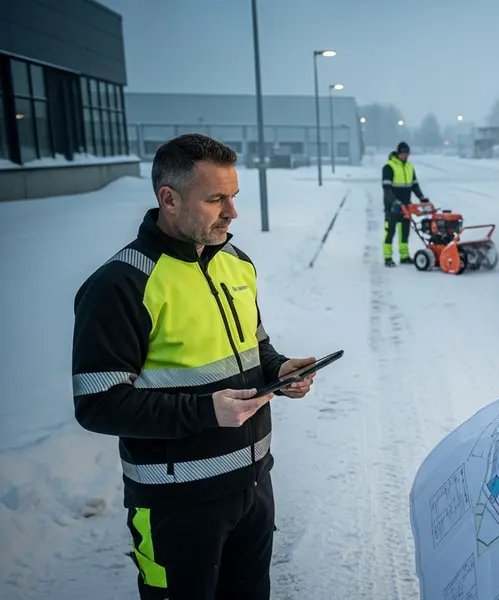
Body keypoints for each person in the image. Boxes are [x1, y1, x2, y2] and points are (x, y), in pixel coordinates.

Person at [71, 133, 319, 599]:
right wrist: (206, 411)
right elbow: (98, 404)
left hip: (253, 488)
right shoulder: (121, 285)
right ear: (169, 198)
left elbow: (256, 348)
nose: (232, 212)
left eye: (234, 197)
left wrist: (280, 371)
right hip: (176, 509)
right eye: (216, 199)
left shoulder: (236, 263)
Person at [381, 141, 428, 267]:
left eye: (407, 153)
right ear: (398, 153)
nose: (406, 156)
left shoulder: (409, 167)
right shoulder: (389, 167)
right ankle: (387, 257)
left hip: (406, 205)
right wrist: (394, 201)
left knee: (405, 231)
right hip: (392, 206)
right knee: (390, 231)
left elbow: (414, 185)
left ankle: (404, 256)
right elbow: (386, 188)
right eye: (403, 153)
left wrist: (422, 197)